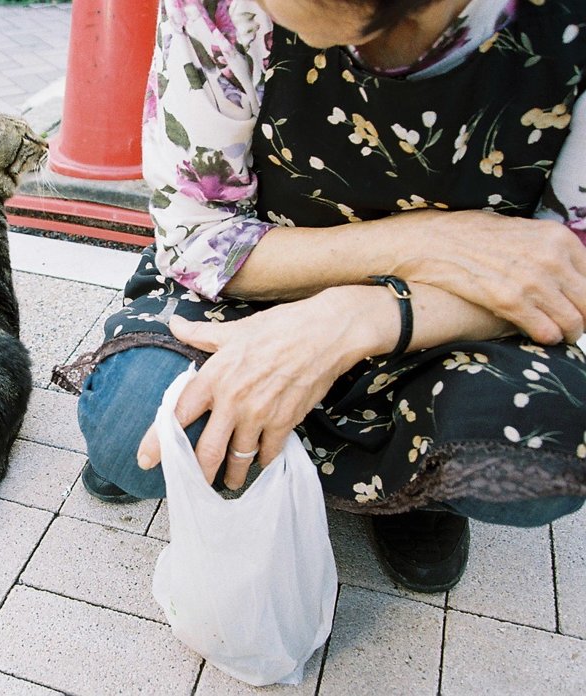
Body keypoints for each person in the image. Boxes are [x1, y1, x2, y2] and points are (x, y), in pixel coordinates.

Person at [58, 0, 586, 593]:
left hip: (449, 323)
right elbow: (198, 236)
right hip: (257, 286)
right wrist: (425, 240)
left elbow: (565, 278)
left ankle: (412, 496)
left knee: (545, 450)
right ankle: (318, 452)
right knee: (133, 429)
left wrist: (353, 318)